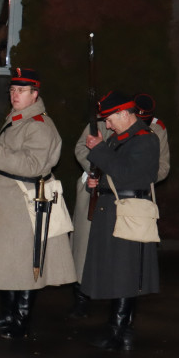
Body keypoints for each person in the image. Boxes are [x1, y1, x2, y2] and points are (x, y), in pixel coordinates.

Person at [0, 68, 76, 339]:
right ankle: (7, 314)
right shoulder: (19, 118)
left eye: (21, 91)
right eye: (12, 90)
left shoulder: (39, 126)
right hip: (9, 203)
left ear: (35, 95)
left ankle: (20, 321)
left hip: (25, 202)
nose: (14, 95)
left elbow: (34, 166)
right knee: (7, 261)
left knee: (25, 263)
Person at [81, 91, 160, 350]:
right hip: (113, 210)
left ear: (125, 114)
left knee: (125, 273)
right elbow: (113, 172)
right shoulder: (120, 139)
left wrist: (99, 149)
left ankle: (118, 331)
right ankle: (119, 329)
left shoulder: (146, 140)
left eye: (111, 118)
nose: (108, 124)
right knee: (116, 271)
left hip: (129, 212)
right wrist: (97, 182)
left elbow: (128, 175)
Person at [67, 114, 113, 318]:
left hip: (117, 190)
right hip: (92, 187)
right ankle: (81, 298)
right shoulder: (97, 125)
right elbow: (80, 148)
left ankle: (115, 299)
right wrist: (94, 169)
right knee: (83, 245)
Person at [134, 93, 170, 183]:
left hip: (142, 188)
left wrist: (143, 179)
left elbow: (163, 166)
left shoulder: (157, 129)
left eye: (143, 122)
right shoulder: (113, 122)